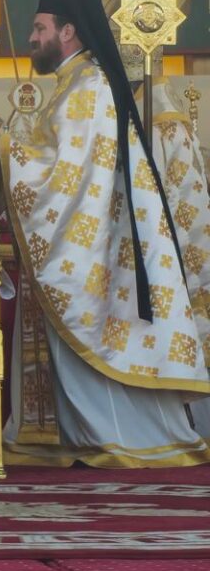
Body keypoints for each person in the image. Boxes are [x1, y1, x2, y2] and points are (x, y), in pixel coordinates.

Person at [1, 0, 208, 468]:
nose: (32, 37)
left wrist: (9, 151)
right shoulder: (75, 84)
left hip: (94, 243)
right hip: (94, 234)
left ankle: (122, 439)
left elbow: (70, 172)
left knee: (94, 334)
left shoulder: (88, 87)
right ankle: (81, 436)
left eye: (40, 28)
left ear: (67, 31)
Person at [119, 41, 210, 442]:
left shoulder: (155, 124)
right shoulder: (164, 115)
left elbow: (148, 196)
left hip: (170, 246)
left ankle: (174, 427)